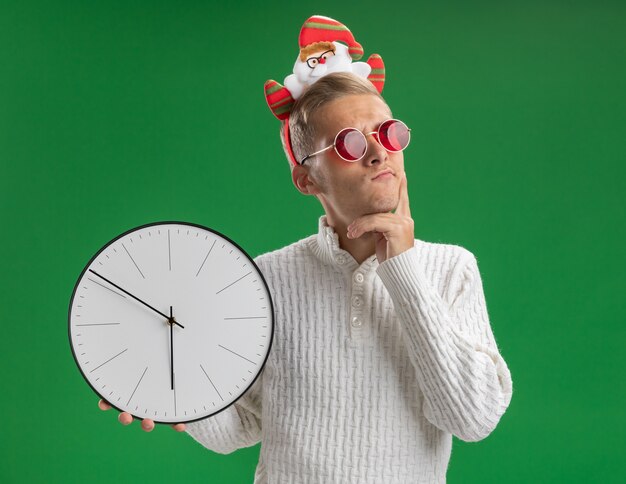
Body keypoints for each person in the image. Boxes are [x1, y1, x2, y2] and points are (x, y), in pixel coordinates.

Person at [99, 71, 513, 483]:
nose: (378, 152)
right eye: (350, 142)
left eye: (388, 133)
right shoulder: (265, 279)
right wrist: (171, 392)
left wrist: (402, 271)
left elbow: (472, 419)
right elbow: (239, 426)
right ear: (306, 178)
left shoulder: (452, 269)